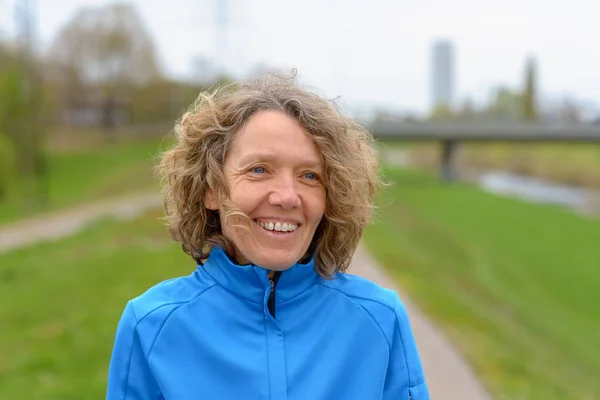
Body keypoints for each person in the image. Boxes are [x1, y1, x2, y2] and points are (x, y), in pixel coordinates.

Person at [106, 72, 429, 400]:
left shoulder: (380, 320)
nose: (288, 196)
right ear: (211, 190)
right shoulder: (151, 326)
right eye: (259, 170)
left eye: (309, 175)